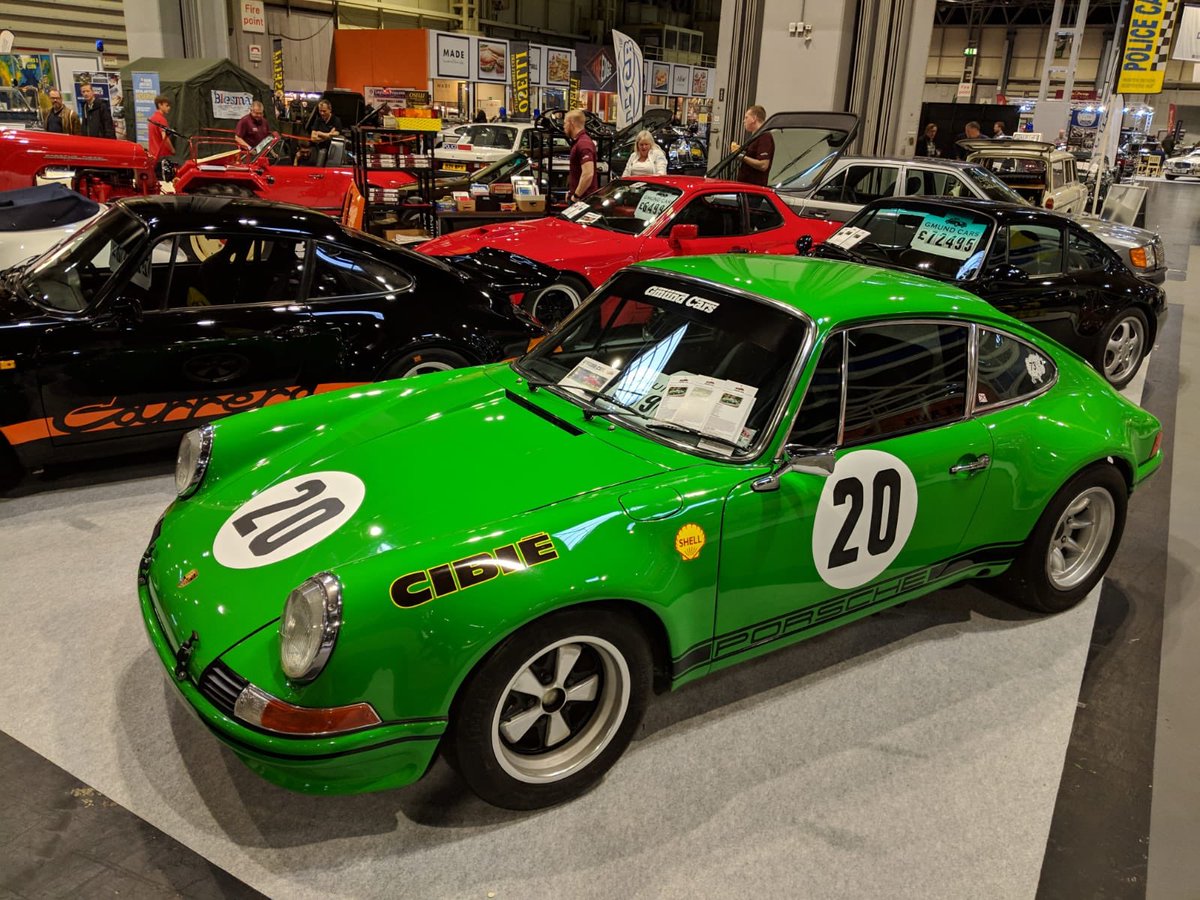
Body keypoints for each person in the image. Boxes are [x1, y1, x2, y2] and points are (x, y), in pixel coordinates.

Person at [731, 105, 773, 186]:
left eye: (746, 117)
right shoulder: (755, 136)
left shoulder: (764, 137)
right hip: (746, 185)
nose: (744, 121)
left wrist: (742, 157)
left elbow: (763, 165)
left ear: (754, 118)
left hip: (753, 188)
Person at [564, 108, 597, 202]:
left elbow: (588, 174)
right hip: (580, 198)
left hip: (583, 201)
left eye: (565, 123)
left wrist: (576, 196)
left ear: (572, 123)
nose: (564, 127)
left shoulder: (583, 143)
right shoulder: (579, 142)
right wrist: (571, 192)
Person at [147, 95, 175, 176]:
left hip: (154, 155)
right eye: (167, 105)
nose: (169, 108)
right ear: (160, 105)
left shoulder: (152, 118)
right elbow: (165, 138)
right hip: (162, 155)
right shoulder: (162, 120)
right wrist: (172, 150)